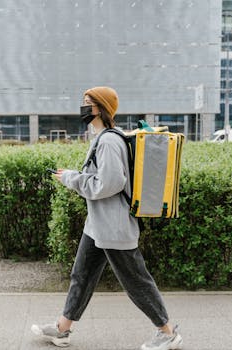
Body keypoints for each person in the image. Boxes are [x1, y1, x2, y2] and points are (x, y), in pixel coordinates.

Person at [31, 86, 183, 350]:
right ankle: (62, 330)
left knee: (136, 281)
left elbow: (110, 183)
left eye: (88, 102)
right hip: (98, 225)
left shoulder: (110, 141)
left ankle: (167, 332)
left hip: (114, 227)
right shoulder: (102, 137)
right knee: (82, 275)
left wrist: (71, 179)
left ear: (101, 108)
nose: (83, 106)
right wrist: (74, 176)